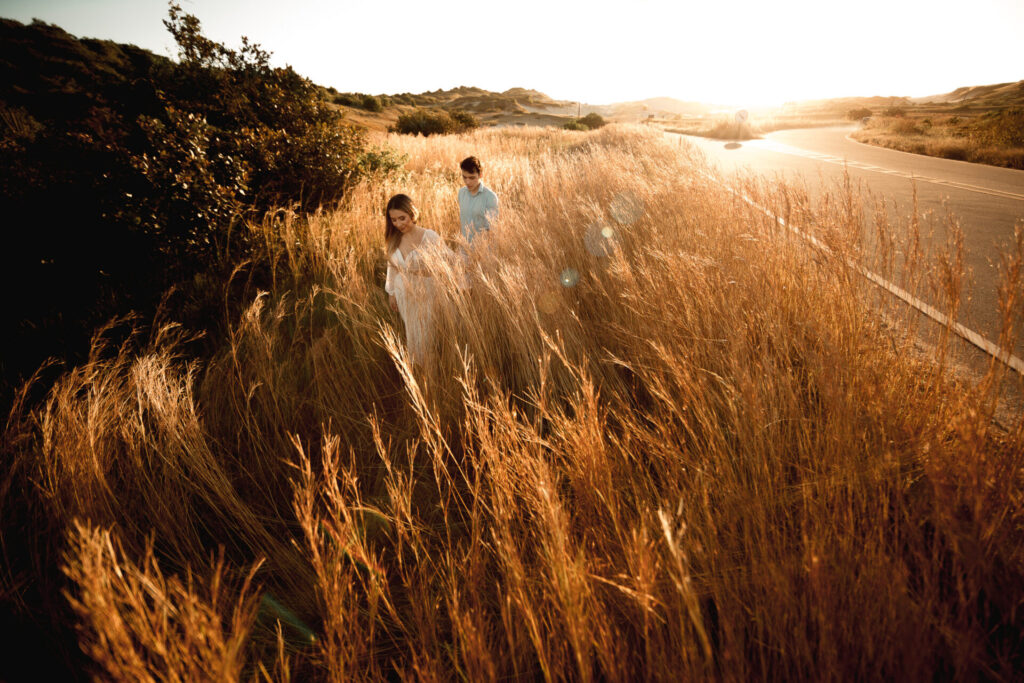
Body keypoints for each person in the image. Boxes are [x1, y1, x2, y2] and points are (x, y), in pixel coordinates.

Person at [383, 194, 444, 365]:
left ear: (412, 213)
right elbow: (393, 267)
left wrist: (423, 271)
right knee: (414, 338)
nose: (399, 224)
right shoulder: (393, 240)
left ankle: (432, 383)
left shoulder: (429, 236)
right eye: (394, 220)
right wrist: (392, 293)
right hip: (405, 299)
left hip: (427, 296)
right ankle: (420, 381)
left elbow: (445, 265)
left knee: (427, 340)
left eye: (402, 218)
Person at [457, 156, 499, 245]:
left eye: (472, 178)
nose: (467, 182)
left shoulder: (490, 197)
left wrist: (481, 253)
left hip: (483, 251)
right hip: (464, 248)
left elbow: (491, 230)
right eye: (464, 177)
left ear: (480, 175)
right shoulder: (461, 193)